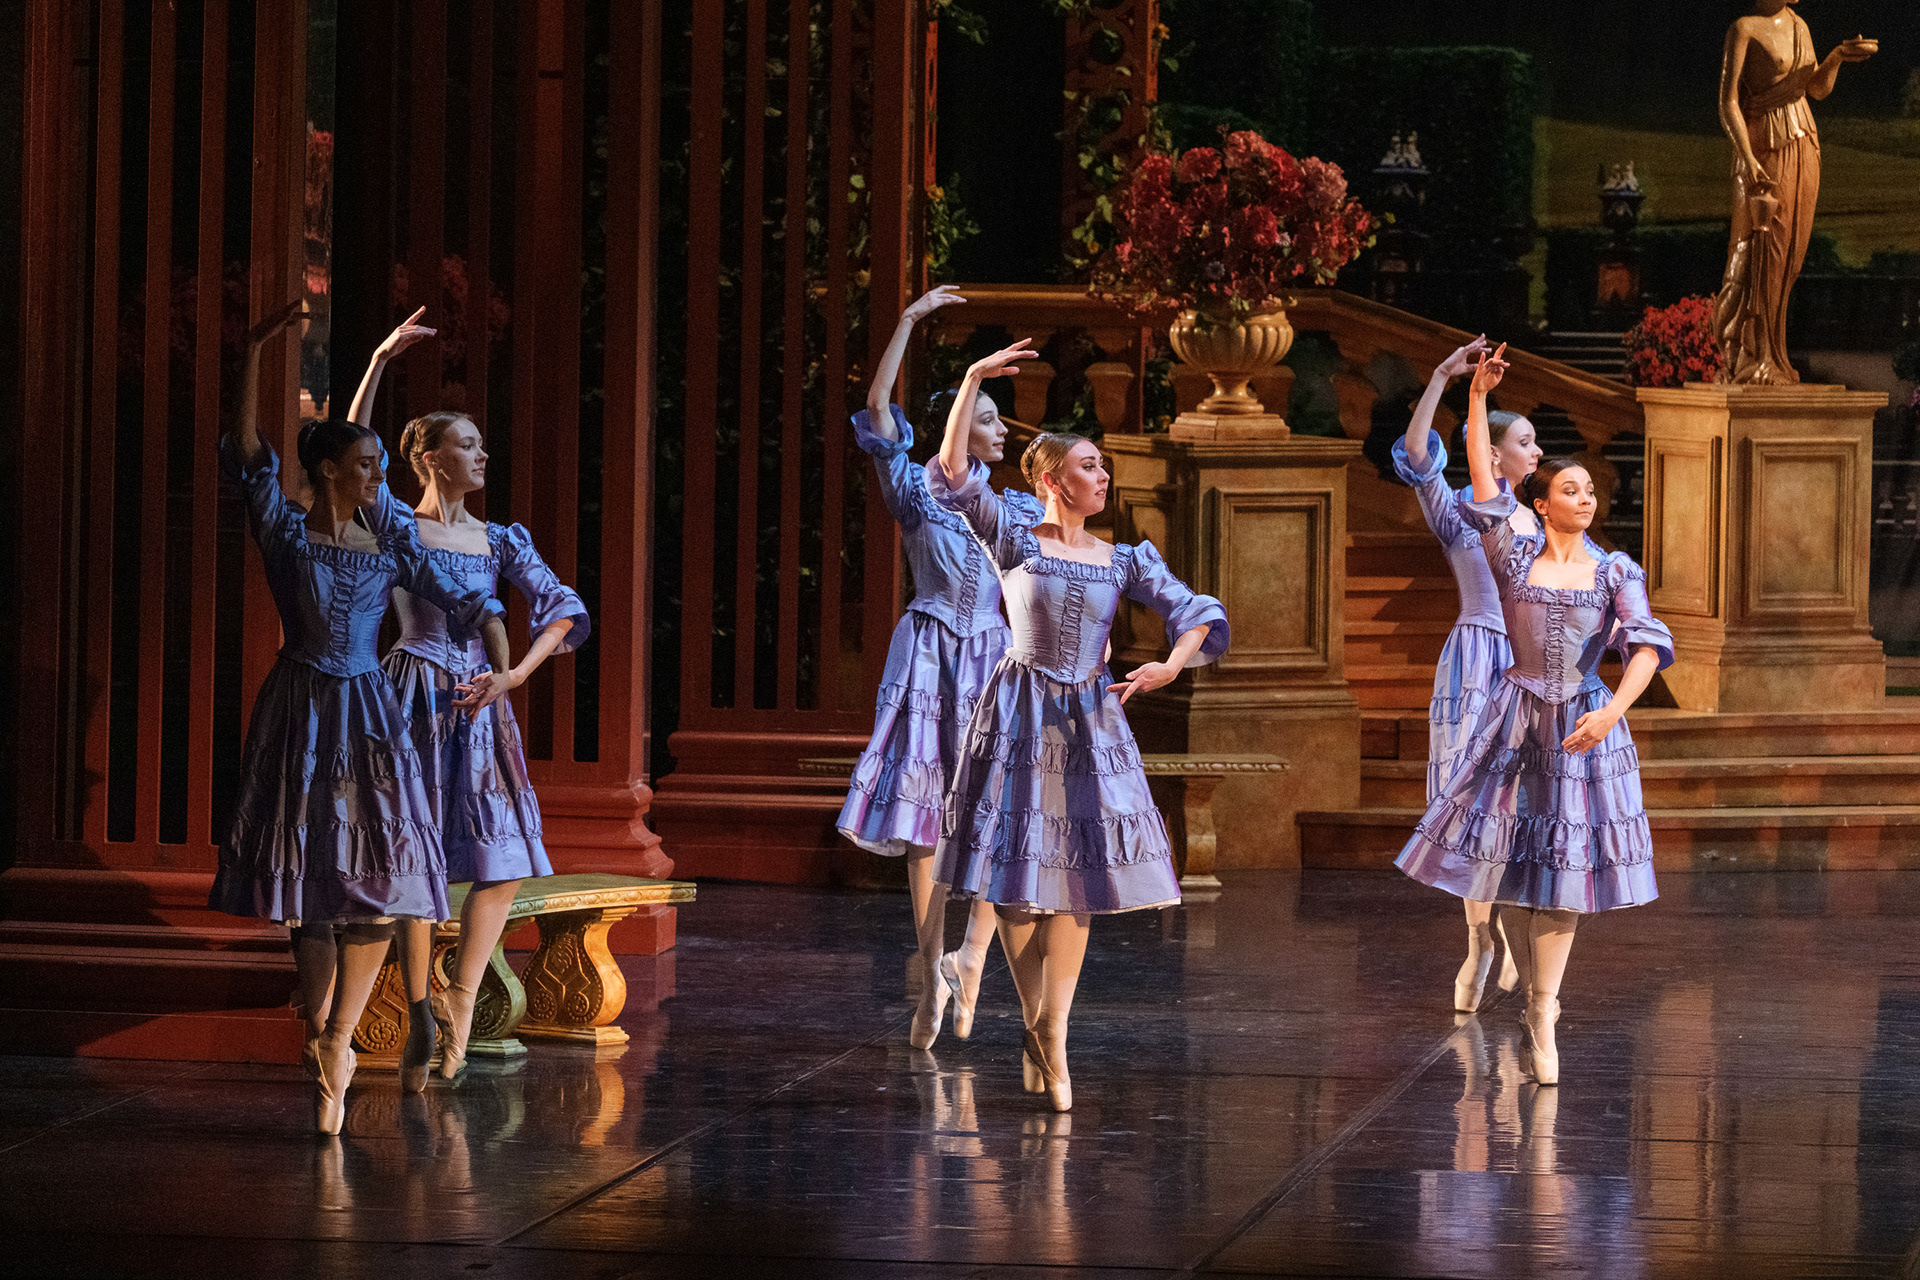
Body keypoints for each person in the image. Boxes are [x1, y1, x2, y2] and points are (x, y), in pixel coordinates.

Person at [210, 301, 508, 1132]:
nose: (379, 477)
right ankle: (320, 1037)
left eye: (380, 464)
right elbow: (246, 452)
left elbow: (465, 595)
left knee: (382, 879)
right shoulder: (287, 533)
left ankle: (342, 1037)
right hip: (303, 708)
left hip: (370, 712)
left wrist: (501, 659)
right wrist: (254, 353)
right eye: (367, 465)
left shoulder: (389, 542)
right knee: (313, 885)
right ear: (331, 470)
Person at [930, 340, 1228, 1111]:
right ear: (1051, 478)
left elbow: (1197, 611)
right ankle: (1039, 1025)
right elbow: (954, 473)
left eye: (1103, 467)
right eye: (1090, 465)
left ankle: (1051, 1030)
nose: (1103, 475)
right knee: (1020, 886)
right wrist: (972, 378)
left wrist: (1170, 665)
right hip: (1020, 715)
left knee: (1077, 884)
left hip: (1091, 723)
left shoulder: (1123, 558)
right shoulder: (1011, 537)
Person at [1395, 344, 1673, 1086]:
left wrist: (1612, 712)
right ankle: (1511, 976)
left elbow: (1647, 646)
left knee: (1565, 870)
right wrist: (1474, 396)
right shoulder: (1512, 558)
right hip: (1514, 717)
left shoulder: (1615, 571)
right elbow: (1482, 482)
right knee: (1515, 867)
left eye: (1591, 490)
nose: (1586, 499)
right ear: (1542, 504)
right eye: (1571, 490)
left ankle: (1544, 1009)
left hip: (1582, 724)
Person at [349, 309, 589, 1085]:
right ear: (429, 457)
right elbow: (355, 453)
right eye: (467, 444)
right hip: (414, 694)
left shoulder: (500, 538)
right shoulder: (398, 528)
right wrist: (380, 359)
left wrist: (516, 675)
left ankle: (461, 992)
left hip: (482, 703)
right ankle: (421, 1008)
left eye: (482, 444)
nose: (482, 454)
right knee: (414, 859)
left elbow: (562, 608)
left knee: (503, 855)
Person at [838, 286, 1045, 1050]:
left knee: (995, 812)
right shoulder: (916, 491)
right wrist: (907, 320)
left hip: (991, 658)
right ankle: (930, 972)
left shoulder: (1016, 509)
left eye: (997, 418)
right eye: (987, 417)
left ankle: (972, 957)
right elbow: (877, 407)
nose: (1000, 429)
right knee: (928, 818)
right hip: (930, 653)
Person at [1395, 337, 1549, 1013]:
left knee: (1519, 806)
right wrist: (1440, 377)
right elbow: (1418, 455)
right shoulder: (1457, 509)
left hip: (1526, 665)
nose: (1536, 452)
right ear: (1491, 452)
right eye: (1525, 442)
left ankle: (1504, 932)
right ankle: (1479, 939)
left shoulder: (1539, 523)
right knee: (1473, 806)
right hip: (1475, 660)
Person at [1715, 2, 1875, 384]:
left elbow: (1815, 88)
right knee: (1765, 252)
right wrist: (1747, 157)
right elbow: (1728, 101)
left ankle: (1777, 355)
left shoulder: (1799, 25)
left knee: (1792, 258)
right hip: (1765, 145)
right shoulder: (1744, 29)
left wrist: (1837, 57)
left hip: (1804, 140)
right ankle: (1756, 355)